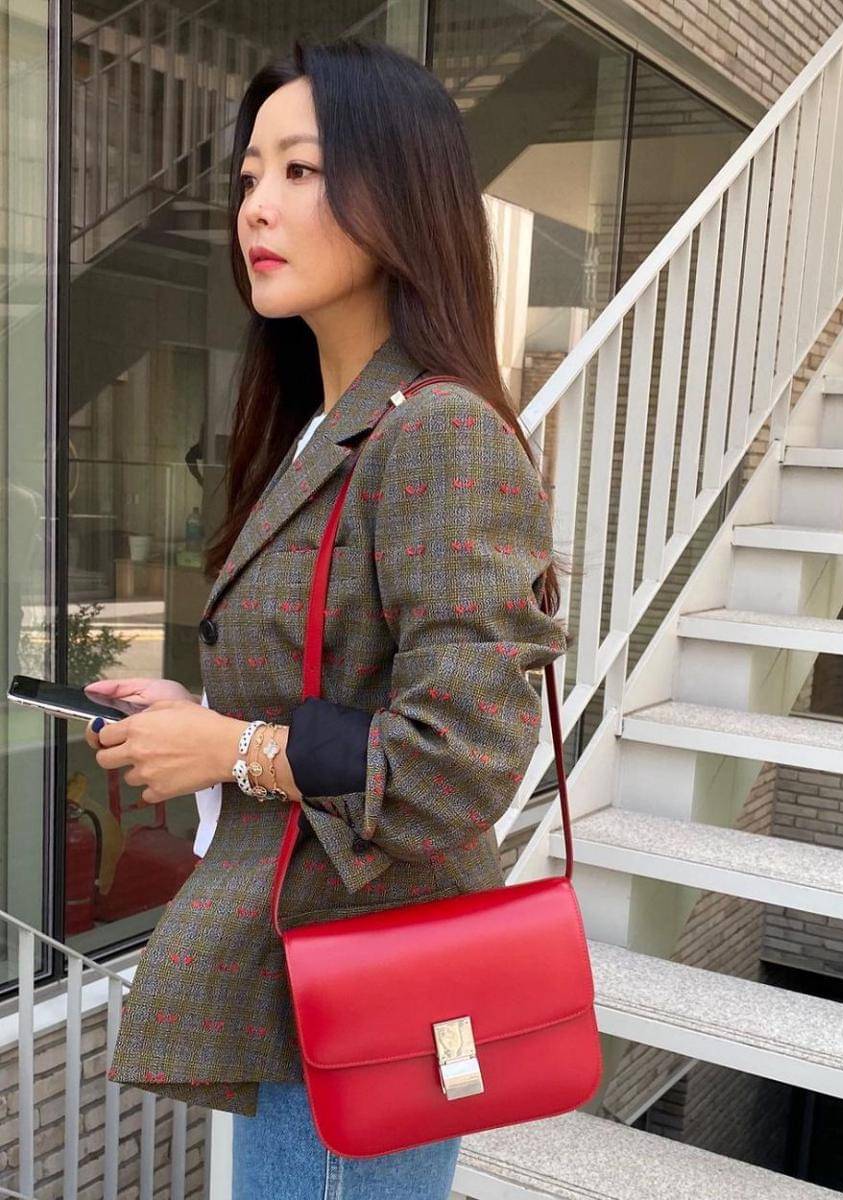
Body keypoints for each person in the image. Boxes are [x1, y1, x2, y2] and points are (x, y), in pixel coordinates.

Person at [82, 34, 571, 1200]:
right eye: (250, 173)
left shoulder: (440, 432)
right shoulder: (323, 426)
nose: (257, 204)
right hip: (304, 970)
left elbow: (457, 763)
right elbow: (339, 688)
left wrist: (231, 748)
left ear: (398, 194)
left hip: (367, 988)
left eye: (301, 171)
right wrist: (202, 717)